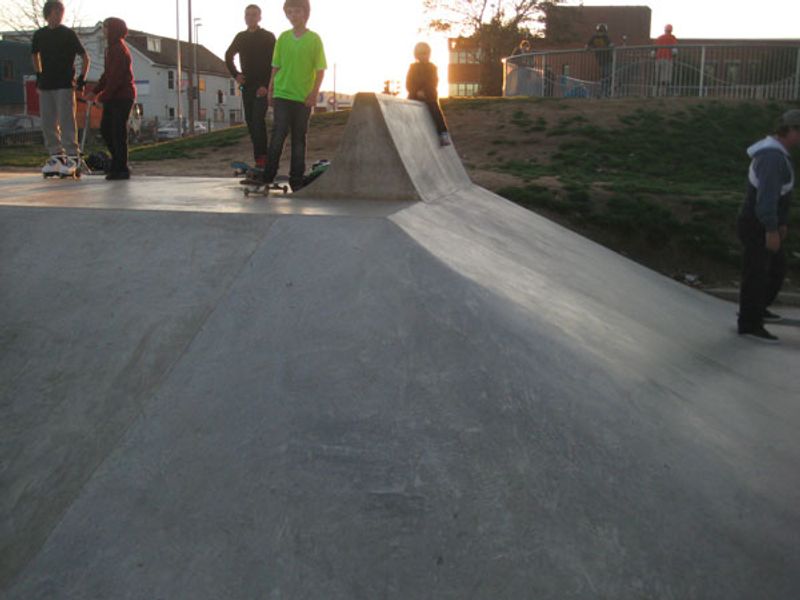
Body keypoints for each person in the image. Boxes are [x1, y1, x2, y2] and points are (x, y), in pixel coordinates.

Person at [736, 109, 800, 342]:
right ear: (791, 130)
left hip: (765, 222)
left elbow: (779, 194)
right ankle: (749, 323)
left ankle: (757, 309)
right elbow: (766, 198)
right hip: (758, 223)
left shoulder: (778, 154)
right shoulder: (772, 157)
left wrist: (781, 223)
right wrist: (771, 229)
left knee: (775, 269)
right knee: (757, 273)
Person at [262, 0, 326, 191]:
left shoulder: (314, 39)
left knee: (299, 139)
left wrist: (313, 94)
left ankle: (296, 180)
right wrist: (270, 89)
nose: (293, 15)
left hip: (302, 99)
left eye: (296, 11)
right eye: (289, 12)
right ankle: (268, 176)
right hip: (282, 94)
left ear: (305, 13)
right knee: (278, 134)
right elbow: (276, 67)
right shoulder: (283, 38)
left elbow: (320, 70)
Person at [31, 0, 90, 177]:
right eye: (56, 12)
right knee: (48, 122)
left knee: (66, 120)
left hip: (64, 83)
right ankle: (56, 155)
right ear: (48, 14)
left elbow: (85, 57)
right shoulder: (39, 35)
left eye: (61, 12)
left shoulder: (68, 34)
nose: (59, 16)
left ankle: (73, 155)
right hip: (46, 83)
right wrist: (38, 74)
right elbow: (34, 54)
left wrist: (82, 78)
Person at [225, 5, 276, 174]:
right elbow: (228, 55)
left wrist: (266, 85)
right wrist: (236, 75)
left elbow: (275, 63)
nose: (251, 17)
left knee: (258, 120)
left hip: (262, 87)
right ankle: (259, 159)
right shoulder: (240, 37)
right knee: (250, 121)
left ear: (259, 17)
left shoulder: (268, 37)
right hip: (247, 86)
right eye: (248, 15)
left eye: (254, 15)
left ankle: (263, 158)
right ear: (244, 18)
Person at [86, 18, 136, 180]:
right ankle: (117, 163)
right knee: (107, 130)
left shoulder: (119, 50)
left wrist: (102, 96)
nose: (104, 31)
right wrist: (95, 91)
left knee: (117, 131)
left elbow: (116, 78)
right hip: (114, 96)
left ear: (113, 30)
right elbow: (107, 75)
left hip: (122, 96)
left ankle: (121, 167)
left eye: (106, 28)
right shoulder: (111, 49)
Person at [406, 42, 451, 147]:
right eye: (421, 54)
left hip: (429, 95)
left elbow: (433, 82)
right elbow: (408, 83)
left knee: (435, 110)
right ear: (417, 55)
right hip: (414, 95)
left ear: (429, 54)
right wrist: (416, 91)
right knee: (408, 105)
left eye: (426, 53)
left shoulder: (432, 67)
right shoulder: (412, 68)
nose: (424, 56)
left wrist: (425, 91)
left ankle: (443, 133)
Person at [586, 24, 613, 97]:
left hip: (604, 60)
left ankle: (606, 91)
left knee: (606, 75)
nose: (601, 33)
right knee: (606, 76)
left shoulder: (597, 37)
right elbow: (587, 45)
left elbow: (587, 45)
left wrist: (588, 48)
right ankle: (605, 91)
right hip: (604, 60)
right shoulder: (601, 37)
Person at [653, 24, 678, 96]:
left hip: (658, 59)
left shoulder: (659, 38)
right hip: (668, 59)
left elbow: (654, 49)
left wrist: (654, 57)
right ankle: (662, 94)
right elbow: (674, 50)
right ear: (671, 30)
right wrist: (675, 58)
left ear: (665, 30)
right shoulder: (672, 38)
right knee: (665, 78)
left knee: (657, 77)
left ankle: (655, 94)